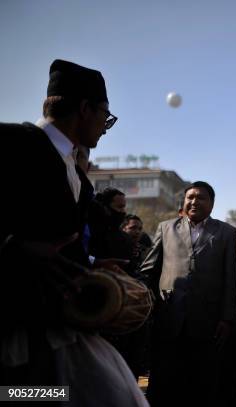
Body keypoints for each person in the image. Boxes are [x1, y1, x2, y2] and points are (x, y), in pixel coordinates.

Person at [0, 59, 148, 406]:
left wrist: (91, 266)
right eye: (105, 117)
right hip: (13, 331)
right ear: (84, 109)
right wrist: (16, 250)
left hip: (56, 330)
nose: (104, 127)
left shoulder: (76, 172)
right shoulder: (13, 143)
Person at [140, 181, 236, 406]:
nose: (194, 201)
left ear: (212, 204)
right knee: (165, 381)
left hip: (208, 321)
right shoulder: (166, 228)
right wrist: (149, 301)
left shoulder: (227, 233)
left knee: (202, 384)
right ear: (184, 202)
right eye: (190, 197)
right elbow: (149, 270)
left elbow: (230, 279)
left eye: (201, 197)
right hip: (168, 318)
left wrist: (226, 317)